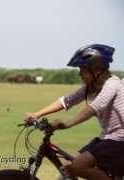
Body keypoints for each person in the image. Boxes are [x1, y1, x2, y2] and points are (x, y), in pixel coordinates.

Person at [25, 44, 124, 180]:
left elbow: (94, 107)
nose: (79, 74)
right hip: (106, 138)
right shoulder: (90, 88)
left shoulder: (113, 84)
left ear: (96, 70)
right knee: (68, 168)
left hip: (119, 140)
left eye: (82, 69)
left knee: (79, 166)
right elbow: (66, 101)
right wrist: (37, 114)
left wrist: (66, 124)